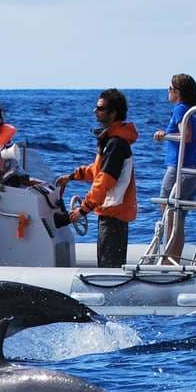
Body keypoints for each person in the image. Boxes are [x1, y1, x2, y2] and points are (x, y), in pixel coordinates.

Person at [57, 89, 139, 268]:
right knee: (109, 263)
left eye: (100, 108)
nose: (95, 111)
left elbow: (104, 181)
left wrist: (83, 210)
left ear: (113, 113)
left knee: (110, 267)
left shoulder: (116, 144)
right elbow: (97, 170)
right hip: (111, 214)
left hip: (113, 216)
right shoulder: (111, 142)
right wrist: (72, 176)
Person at [152, 73, 196, 263]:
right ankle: (174, 260)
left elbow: (186, 136)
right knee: (178, 219)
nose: (168, 91)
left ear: (177, 92)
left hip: (178, 172)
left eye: (170, 88)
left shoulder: (181, 110)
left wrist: (163, 135)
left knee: (169, 216)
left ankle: (167, 262)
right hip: (193, 174)